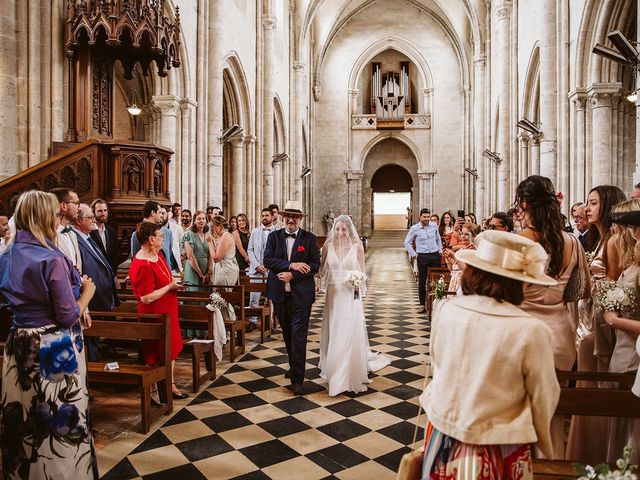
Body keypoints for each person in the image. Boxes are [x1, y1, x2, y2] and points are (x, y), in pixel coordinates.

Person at [421, 230, 560, 478]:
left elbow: (438, 365)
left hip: (442, 431)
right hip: (498, 442)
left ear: (474, 271)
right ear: (521, 282)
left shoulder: (446, 309)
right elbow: (544, 396)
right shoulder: (531, 330)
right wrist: (544, 443)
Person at [0, 190, 98, 479]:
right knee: (59, 416)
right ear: (44, 216)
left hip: (19, 340)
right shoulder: (51, 258)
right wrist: (87, 294)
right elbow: (67, 314)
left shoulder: (8, 253)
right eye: (55, 214)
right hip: (53, 343)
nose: (59, 219)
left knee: (24, 413)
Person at [514, 175, 591, 458]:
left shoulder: (519, 241)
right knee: (553, 417)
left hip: (523, 335)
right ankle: (554, 463)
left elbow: (504, 291)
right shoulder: (571, 240)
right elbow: (581, 291)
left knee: (521, 416)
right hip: (560, 336)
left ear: (524, 203)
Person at [567, 185, 627, 463]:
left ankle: (595, 456)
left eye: (593, 203)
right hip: (589, 321)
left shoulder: (614, 242)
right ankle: (587, 453)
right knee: (587, 388)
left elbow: (618, 289)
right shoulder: (600, 239)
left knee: (595, 390)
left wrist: (594, 284)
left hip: (599, 326)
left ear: (609, 206)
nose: (586, 209)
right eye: (587, 203)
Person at [317, 215, 390, 396]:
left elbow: (363, 274)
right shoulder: (327, 247)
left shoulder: (357, 248)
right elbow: (322, 271)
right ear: (333, 230)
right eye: (337, 229)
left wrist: (356, 281)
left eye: (344, 229)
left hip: (350, 296)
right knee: (334, 331)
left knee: (348, 332)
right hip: (333, 296)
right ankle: (334, 369)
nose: (340, 232)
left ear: (349, 230)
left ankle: (345, 374)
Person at [264, 200, 320, 395]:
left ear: (299, 219)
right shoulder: (274, 237)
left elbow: (314, 265)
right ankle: (293, 365)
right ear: (282, 218)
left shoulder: (309, 239)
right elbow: (267, 260)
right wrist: (292, 265)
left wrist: (293, 275)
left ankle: (298, 379)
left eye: (295, 217)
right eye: (288, 216)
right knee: (287, 334)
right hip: (279, 294)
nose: (291, 220)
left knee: (298, 336)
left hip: (301, 296)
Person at [128, 221, 188, 400]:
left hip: (169, 310)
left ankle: (170, 384)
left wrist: (173, 285)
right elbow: (145, 297)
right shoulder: (143, 263)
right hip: (154, 313)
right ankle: (153, 389)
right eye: (160, 236)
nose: (163, 238)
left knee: (170, 348)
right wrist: (170, 286)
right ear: (150, 239)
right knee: (155, 352)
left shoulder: (158, 254)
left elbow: (165, 279)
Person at [74, 204, 119, 361]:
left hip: (98, 296)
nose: (94, 220)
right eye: (89, 217)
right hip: (89, 299)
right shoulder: (76, 240)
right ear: (78, 221)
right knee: (90, 340)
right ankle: (93, 369)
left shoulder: (88, 237)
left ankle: (95, 364)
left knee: (94, 339)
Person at [405, 208, 443, 314]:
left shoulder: (434, 226)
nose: (426, 219)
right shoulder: (414, 228)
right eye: (424, 217)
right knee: (422, 281)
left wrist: (440, 250)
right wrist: (414, 255)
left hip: (435, 255)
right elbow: (407, 243)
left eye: (428, 217)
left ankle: (436, 303)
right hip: (422, 256)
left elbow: (438, 239)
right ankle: (422, 305)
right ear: (420, 217)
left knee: (436, 280)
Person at [248, 208, 277, 330]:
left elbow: (280, 251)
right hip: (257, 270)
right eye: (262, 215)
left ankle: (270, 321)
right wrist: (257, 265)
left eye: (267, 215)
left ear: (272, 217)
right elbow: (250, 250)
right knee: (254, 297)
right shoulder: (255, 232)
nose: (264, 217)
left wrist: (271, 265)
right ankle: (252, 321)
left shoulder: (278, 232)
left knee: (272, 297)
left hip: (272, 270)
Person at [130, 200, 179, 272]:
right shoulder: (137, 234)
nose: (162, 216)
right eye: (159, 213)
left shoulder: (167, 232)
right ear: (153, 213)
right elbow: (135, 257)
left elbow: (169, 254)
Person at [51, 187, 82, 272]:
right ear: (63, 206)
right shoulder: (49, 236)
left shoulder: (73, 234)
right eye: (76, 203)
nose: (79, 208)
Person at [443, 222, 480, 293]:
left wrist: (454, 257)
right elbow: (451, 269)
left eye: (466, 234)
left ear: (473, 236)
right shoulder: (460, 250)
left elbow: (467, 270)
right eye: (462, 234)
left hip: (464, 282)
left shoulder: (474, 251)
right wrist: (448, 258)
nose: (463, 236)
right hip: (454, 281)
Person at [207, 215, 239, 286]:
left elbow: (216, 258)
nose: (211, 229)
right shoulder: (224, 236)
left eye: (213, 227)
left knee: (221, 295)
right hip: (224, 269)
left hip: (225, 271)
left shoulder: (226, 237)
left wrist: (209, 242)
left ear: (220, 226)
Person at [90, 198, 119, 275]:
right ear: (93, 213)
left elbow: (115, 255)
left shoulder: (111, 230)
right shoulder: (89, 232)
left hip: (110, 274)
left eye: (105, 210)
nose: (103, 213)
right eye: (100, 211)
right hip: (96, 274)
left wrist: (114, 274)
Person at [182, 211, 211, 289]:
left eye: (203, 219)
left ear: (206, 221)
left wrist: (209, 272)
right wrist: (200, 273)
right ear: (194, 221)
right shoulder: (189, 234)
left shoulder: (208, 235)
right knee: (193, 291)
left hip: (205, 269)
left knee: (205, 294)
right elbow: (190, 256)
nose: (201, 221)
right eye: (198, 219)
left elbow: (210, 256)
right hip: (193, 269)